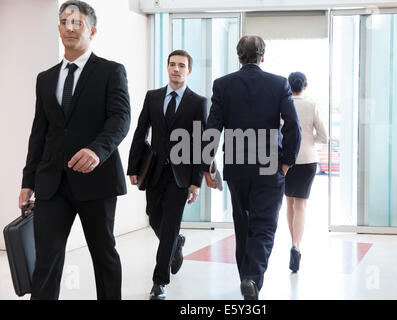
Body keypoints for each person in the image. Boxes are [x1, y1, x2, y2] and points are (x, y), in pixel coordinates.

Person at [18, 1, 130, 300]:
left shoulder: (111, 71)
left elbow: (120, 119)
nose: (69, 27)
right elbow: (39, 132)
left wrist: (97, 150)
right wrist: (27, 182)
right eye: (64, 22)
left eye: (77, 22)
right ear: (58, 29)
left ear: (91, 30)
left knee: (103, 255)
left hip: (96, 180)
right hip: (52, 183)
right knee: (46, 260)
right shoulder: (46, 78)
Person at [203, 36, 301, 300]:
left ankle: (246, 278)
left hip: (236, 164)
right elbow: (293, 126)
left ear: (238, 57)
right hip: (269, 164)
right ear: (262, 57)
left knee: (243, 223)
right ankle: (251, 278)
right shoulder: (278, 83)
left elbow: (213, 127)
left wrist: (206, 163)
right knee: (265, 225)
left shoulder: (223, 85)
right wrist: (287, 161)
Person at [127, 50, 207, 300]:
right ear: (167, 68)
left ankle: (159, 282)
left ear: (189, 71)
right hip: (154, 171)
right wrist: (133, 167)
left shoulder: (198, 102)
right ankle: (176, 244)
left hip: (181, 174)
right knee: (153, 216)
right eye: (172, 64)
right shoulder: (152, 97)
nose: (176, 69)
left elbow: (200, 144)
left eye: (181, 65)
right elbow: (141, 131)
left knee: (170, 223)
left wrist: (196, 181)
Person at [285, 72, 328, 272]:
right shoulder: (312, 105)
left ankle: (293, 241)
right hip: (308, 159)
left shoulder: (283, 103)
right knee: (301, 206)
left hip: (286, 160)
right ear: (305, 86)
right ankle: (296, 246)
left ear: (288, 85)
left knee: (290, 203)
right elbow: (324, 136)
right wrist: (310, 141)